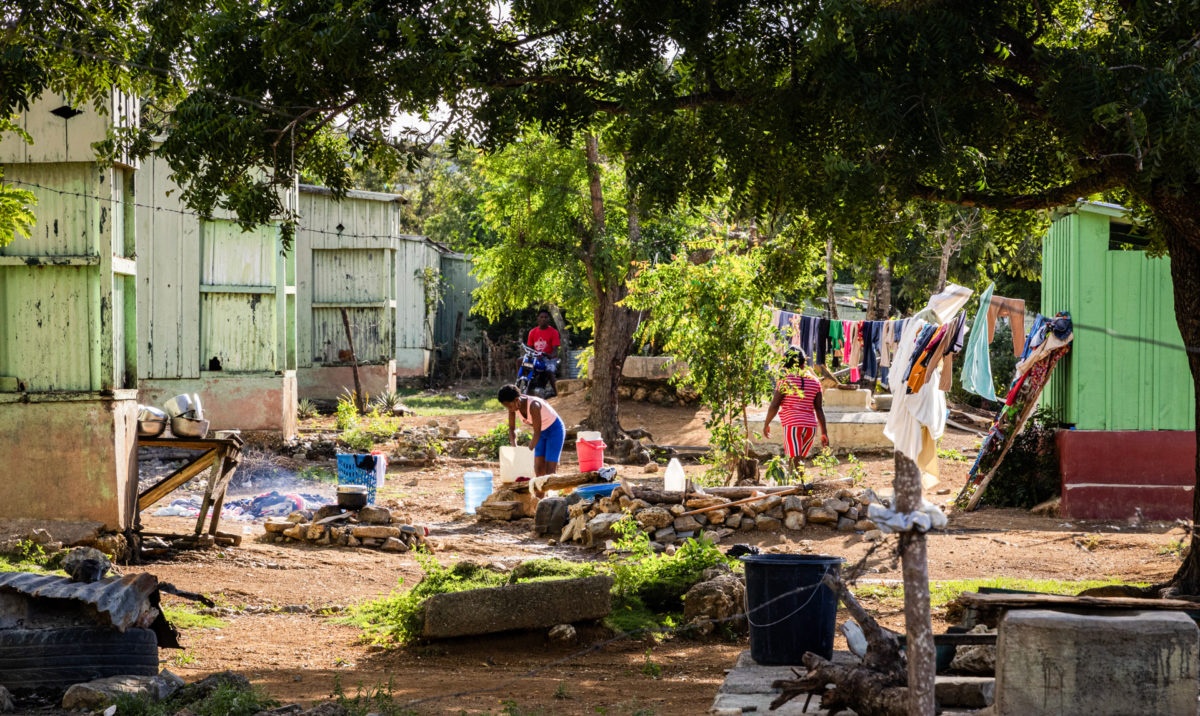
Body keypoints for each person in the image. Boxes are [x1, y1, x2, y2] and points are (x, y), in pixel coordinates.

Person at [762, 349, 829, 480]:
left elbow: (775, 404)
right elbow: (819, 409)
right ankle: (801, 486)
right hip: (810, 427)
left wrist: (766, 424)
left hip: (793, 425)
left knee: (794, 460)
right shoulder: (815, 382)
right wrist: (824, 432)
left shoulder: (786, 380)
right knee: (800, 460)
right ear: (804, 363)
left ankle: (795, 490)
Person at [498, 383, 565, 477]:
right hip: (541, 433)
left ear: (517, 400)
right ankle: (539, 492)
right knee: (538, 470)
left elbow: (536, 433)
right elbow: (512, 429)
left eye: (509, 406)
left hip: (554, 430)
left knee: (550, 471)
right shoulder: (513, 407)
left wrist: (526, 452)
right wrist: (514, 448)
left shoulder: (534, 406)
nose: (509, 409)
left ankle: (552, 491)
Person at [526, 309, 561, 394]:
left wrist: (550, 356)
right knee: (521, 361)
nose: (543, 319)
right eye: (541, 317)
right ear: (538, 318)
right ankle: (524, 381)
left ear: (548, 319)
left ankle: (557, 393)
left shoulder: (554, 332)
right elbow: (530, 348)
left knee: (549, 370)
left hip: (549, 359)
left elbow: (555, 350)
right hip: (537, 359)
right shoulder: (532, 332)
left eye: (545, 317)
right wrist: (531, 355)